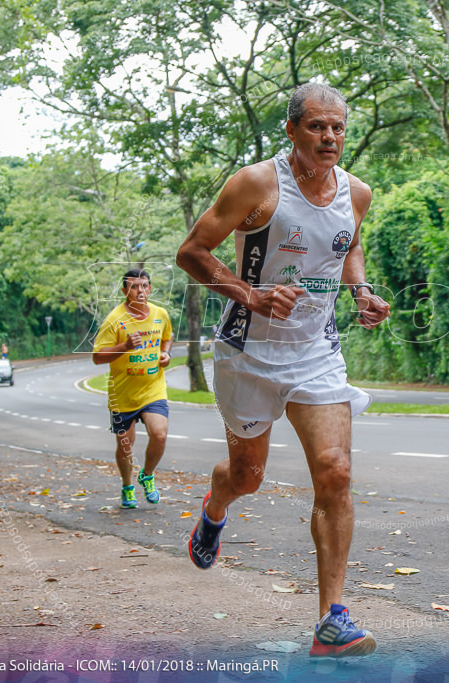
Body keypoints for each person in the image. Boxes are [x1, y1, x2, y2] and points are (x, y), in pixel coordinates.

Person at [177, 82, 391, 659]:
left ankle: (332, 620)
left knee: (335, 470)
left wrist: (362, 291)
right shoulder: (256, 185)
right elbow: (192, 253)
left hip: (316, 351)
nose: (330, 137)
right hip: (248, 351)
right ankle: (215, 509)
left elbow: (347, 246)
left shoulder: (357, 193)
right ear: (293, 130)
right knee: (249, 476)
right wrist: (249, 295)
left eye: (339, 128)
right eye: (318, 127)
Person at [92, 269, 173, 509]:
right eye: (135, 287)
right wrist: (126, 346)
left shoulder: (160, 314)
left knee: (159, 434)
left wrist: (166, 352)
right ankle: (127, 486)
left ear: (150, 289)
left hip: (153, 389)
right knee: (125, 445)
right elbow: (97, 357)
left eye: (145, 286)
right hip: (123, 394)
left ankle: (147, 475)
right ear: (125, 291)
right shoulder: (114, 320)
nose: (141, 291)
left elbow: (167, 337)